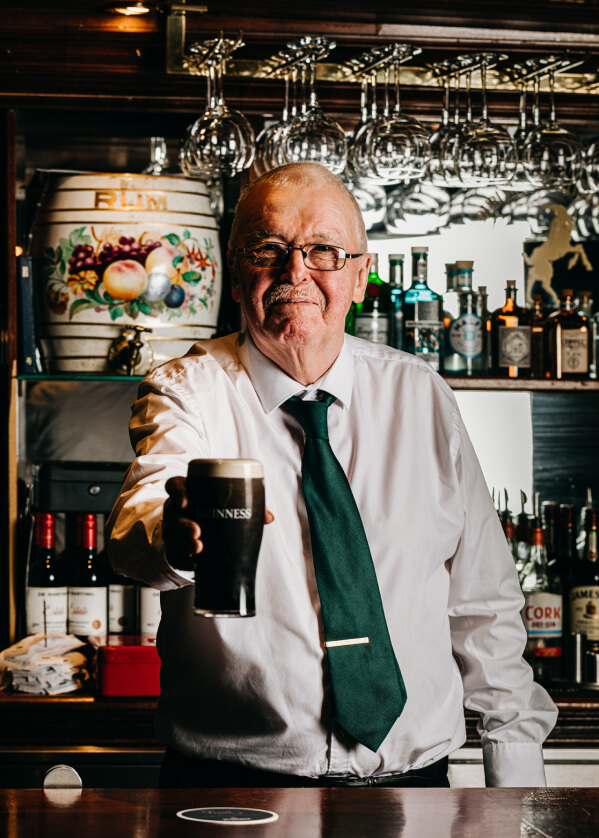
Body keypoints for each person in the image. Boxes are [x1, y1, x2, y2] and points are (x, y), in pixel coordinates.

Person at [106, 162, 557, 789]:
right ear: (236, 277)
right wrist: (176, 539)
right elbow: (136, 529)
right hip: (231, 793)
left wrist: (515, 782)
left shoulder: (420, 395)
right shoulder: (188, 390)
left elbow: (482, 604)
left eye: (323, 250)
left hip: (415, 791)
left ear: (361, 276)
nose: (297, 272)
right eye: (268, 249)